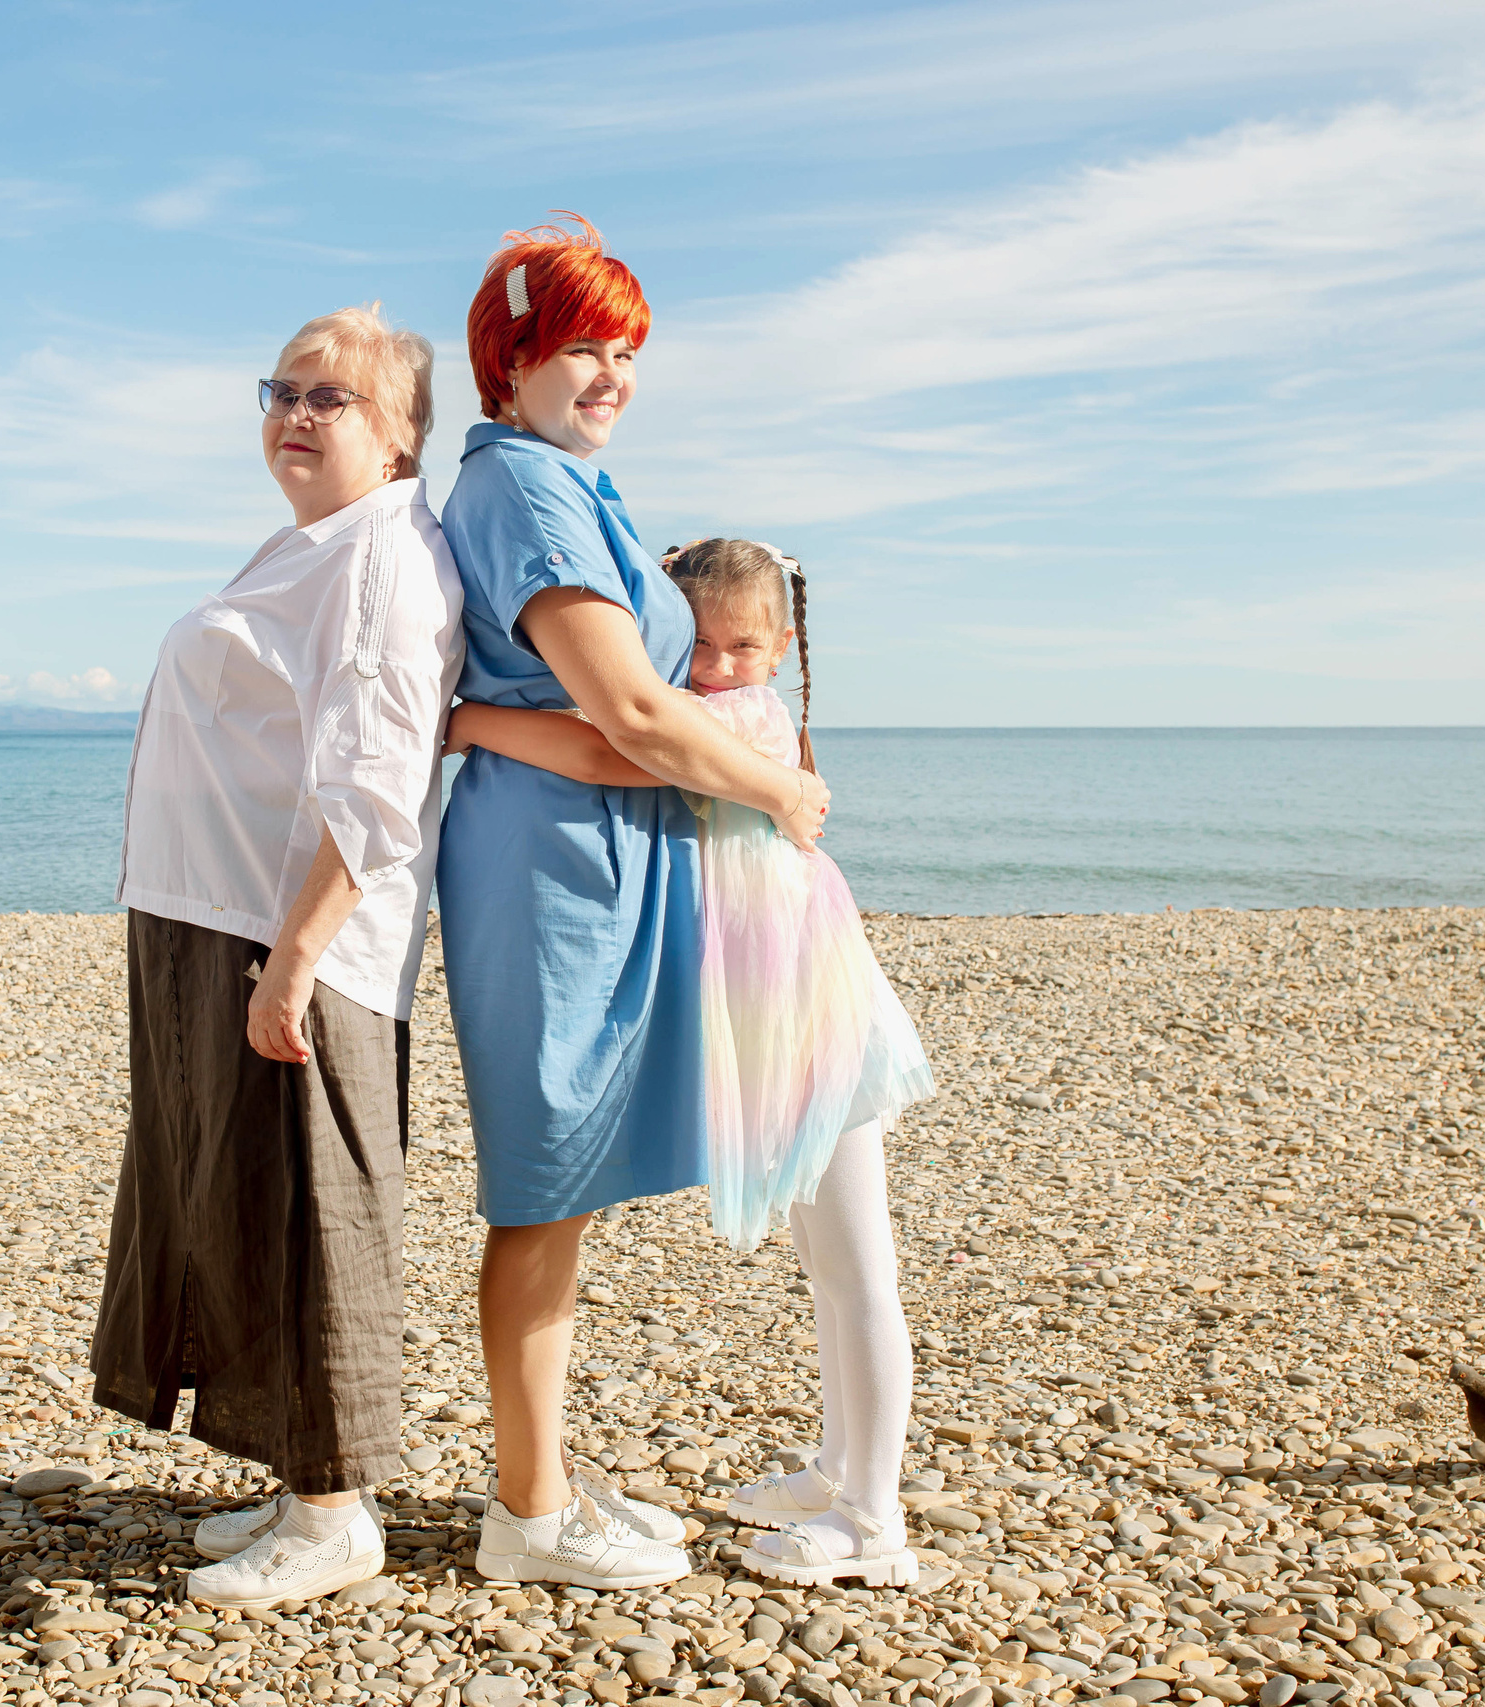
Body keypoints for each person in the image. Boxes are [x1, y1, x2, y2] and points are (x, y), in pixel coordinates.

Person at [434, 217, 832, 1590]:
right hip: (552, 873)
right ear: (510, 361)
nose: (608, 371)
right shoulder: (530, 493)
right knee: (542, 1185)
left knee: (567, 1186)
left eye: (623, 347)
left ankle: (540, 1473)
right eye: (577, 345)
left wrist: (486, 718)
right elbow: (635, 709)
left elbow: (604, 717)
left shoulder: (557, 477)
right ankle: (527, 1517)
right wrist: (777, 794)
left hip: (592, 854)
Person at [446, 537, 936, 1587]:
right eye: (697, 643)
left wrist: (462, 719)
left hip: (809, 1017)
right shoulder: (729, 712)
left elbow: (602, 751)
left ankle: (873, 1517)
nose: (714, 665)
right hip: (769, 1021)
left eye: (743, 645)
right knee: (828, 1269)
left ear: (784, 645)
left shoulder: (738, 720)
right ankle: (836, 1466)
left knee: (858, 1274)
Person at [89, 303, 464, 1609]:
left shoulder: (382, 559)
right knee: (235, 1198)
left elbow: (375, 777)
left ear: (403, 433)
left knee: (316, 1209)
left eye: (334, 397)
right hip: (220, 911)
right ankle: (300, 1477)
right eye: (283, 389)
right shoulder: (320, 543)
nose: (297, 413)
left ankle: (334, 1510)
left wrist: (296, 956)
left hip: (285, 928)